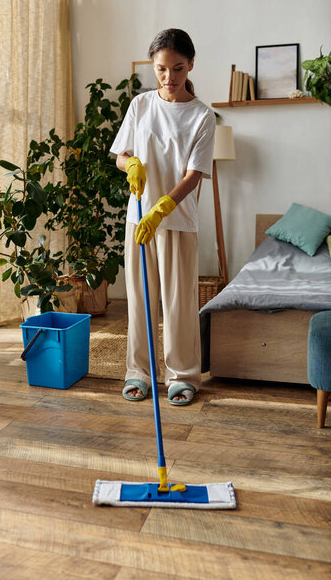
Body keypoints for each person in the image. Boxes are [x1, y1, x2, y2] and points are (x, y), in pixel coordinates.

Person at [110, 28, 216, 405]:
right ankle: (138, 373)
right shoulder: (140, 106)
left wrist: (163, 206)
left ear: (190, 66)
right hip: (138, 220)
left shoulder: (203, 116)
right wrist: (131, 164)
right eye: (161, 69)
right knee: (139, 300)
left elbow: (194, 174)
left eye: (177, 68)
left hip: (177, 221)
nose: (169, 78)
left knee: (177, 303)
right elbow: (120, 154)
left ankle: (182, 375)